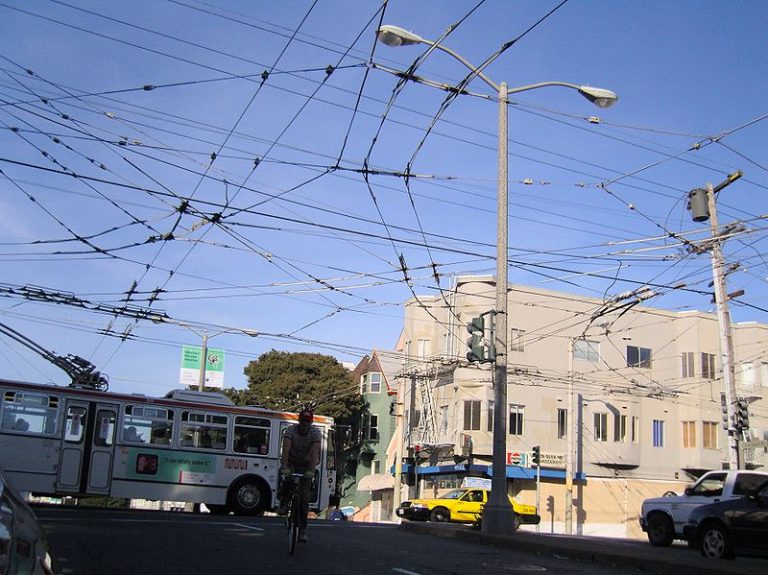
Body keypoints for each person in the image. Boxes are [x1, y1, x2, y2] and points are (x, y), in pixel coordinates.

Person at [278, 408, 321, 543]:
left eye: (308, 421)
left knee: (304, 497)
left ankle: (303, 530)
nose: (305, 424)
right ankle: (284, 503)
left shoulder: (315, 433)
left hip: (306, 463)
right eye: (303, 421)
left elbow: (314, 453)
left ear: (311, 422)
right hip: (292, 460)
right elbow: (286, 450)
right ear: (299, 421)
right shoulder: (291, 430)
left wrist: (311, 471)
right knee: (288, 479)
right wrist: (284, 468)